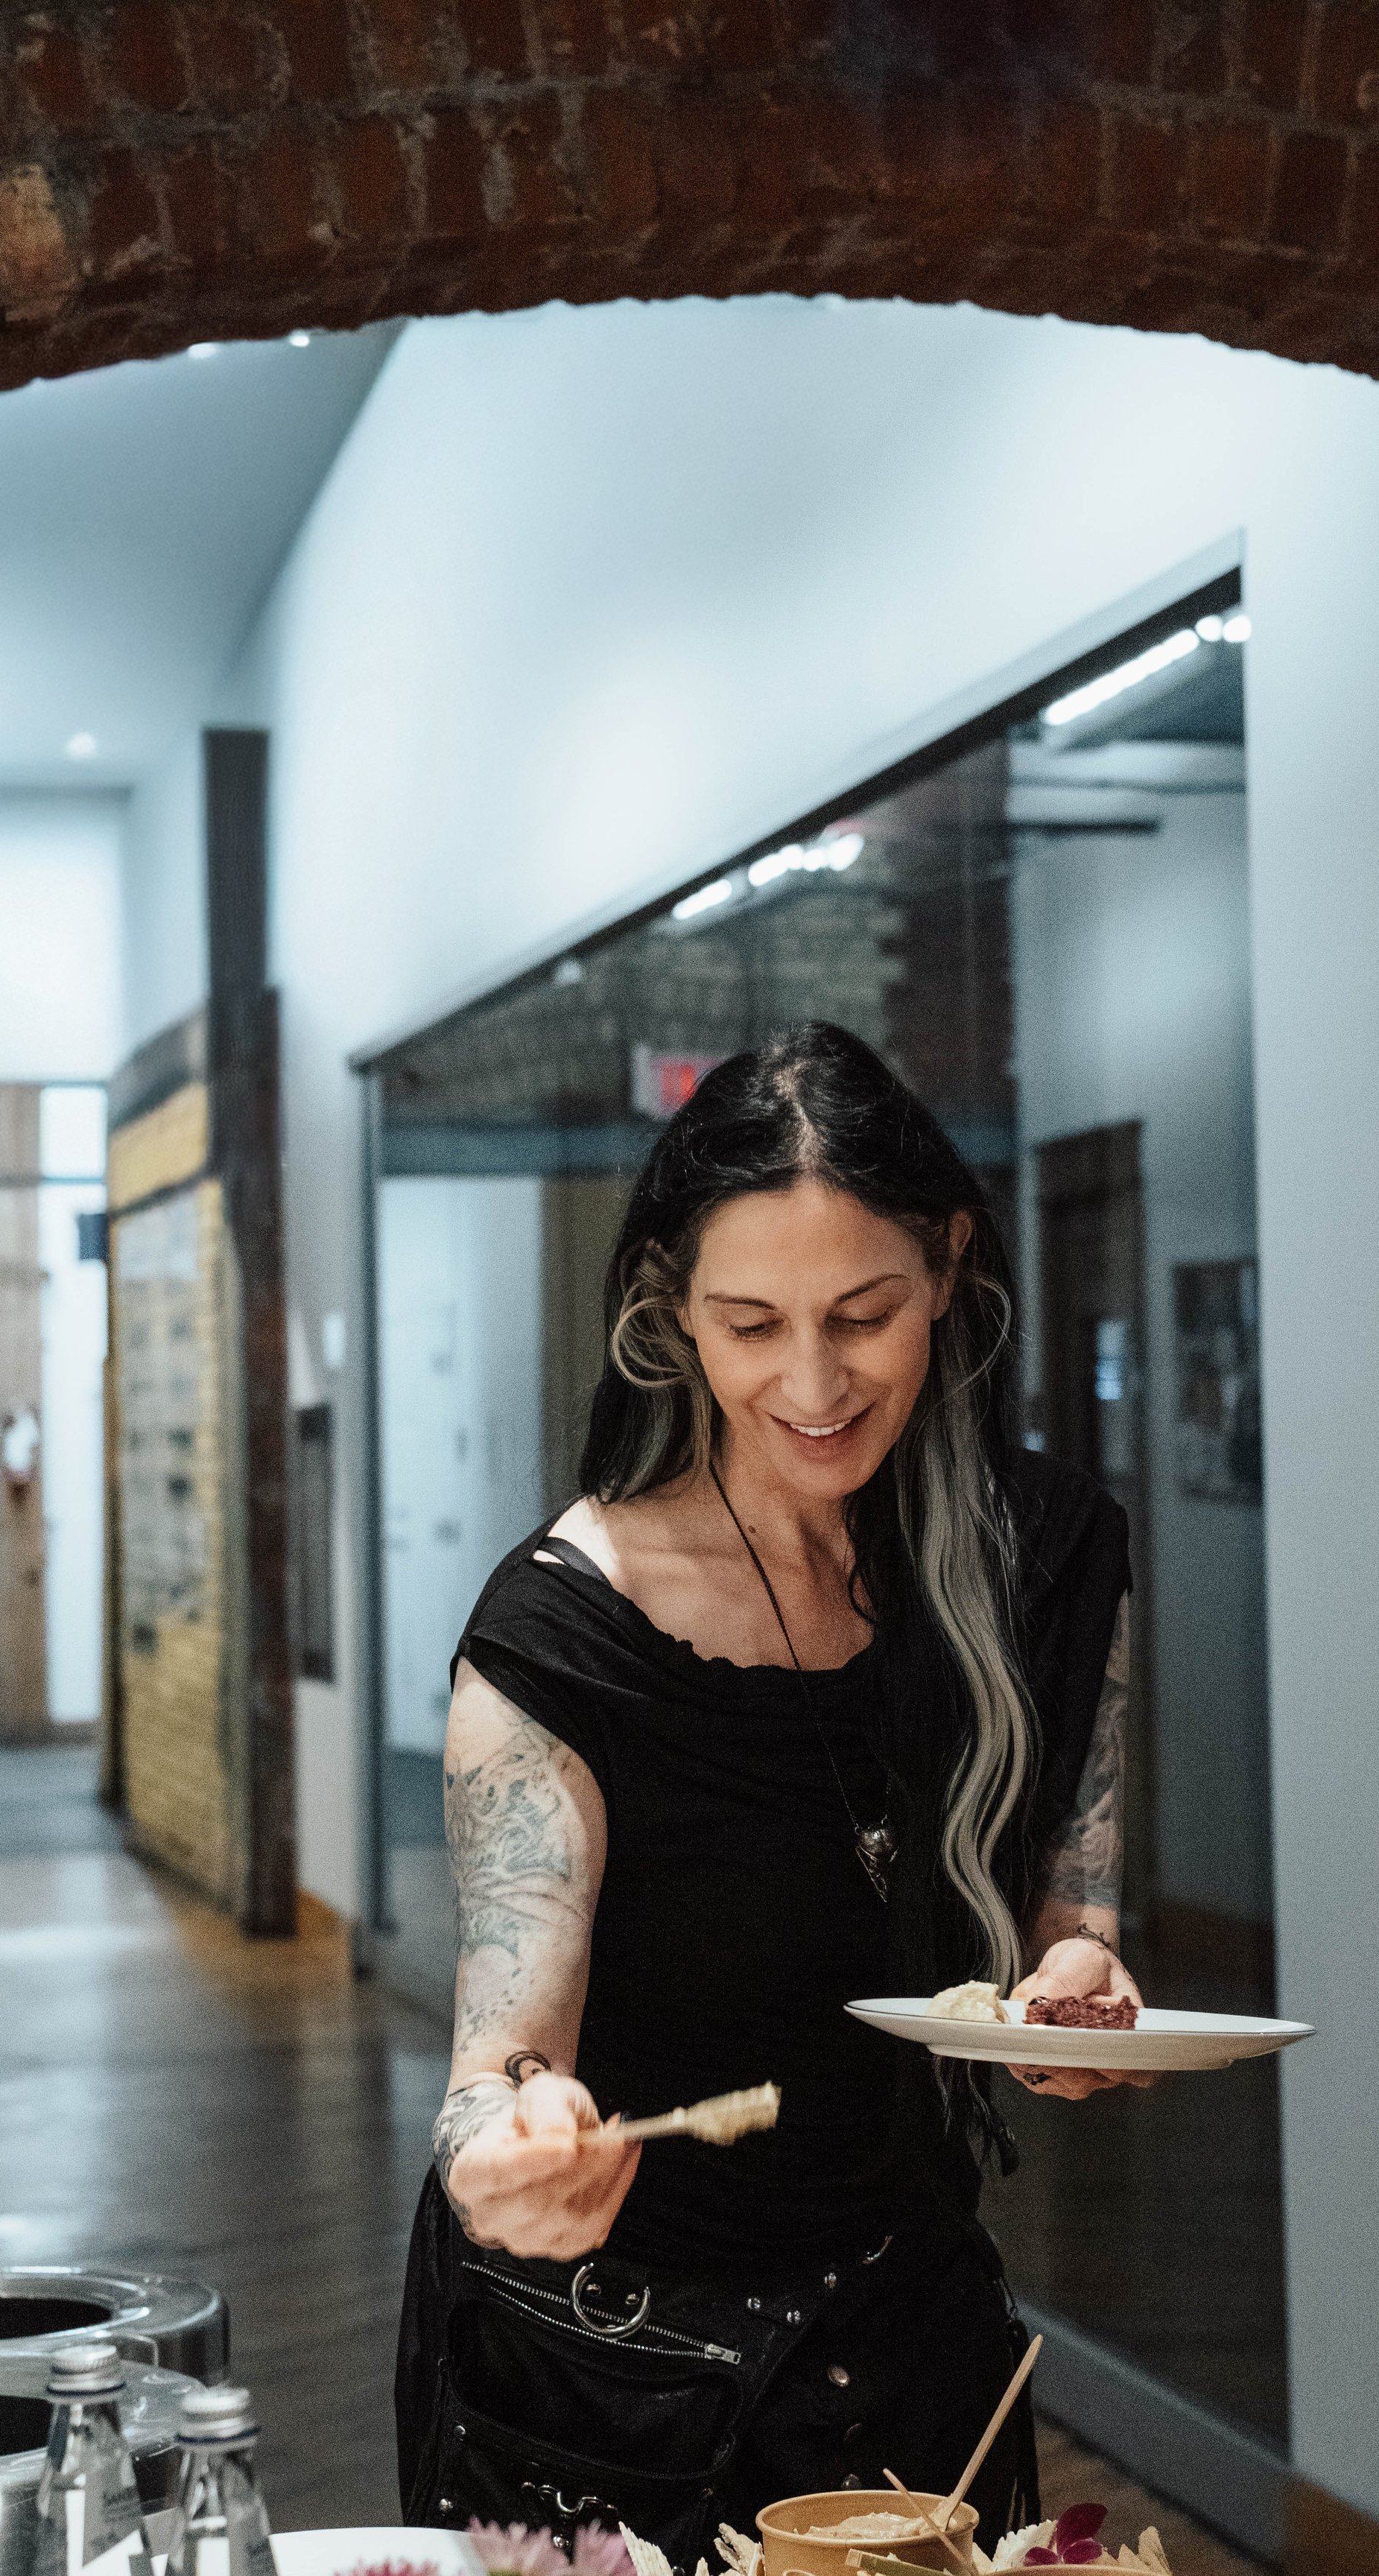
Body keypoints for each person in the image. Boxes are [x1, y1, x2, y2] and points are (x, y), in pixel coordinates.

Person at [396, 1023, 1144, 2569]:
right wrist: (504, 2155)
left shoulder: (1044, 1556)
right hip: (613, 2388)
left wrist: (1073, 1980)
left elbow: (1066, 1924)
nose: (811, 1383)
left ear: (946, 1266)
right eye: (750, 1325)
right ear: (671, 1313)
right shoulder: (565, 1637)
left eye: (863, 1314)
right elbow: (499, 2053)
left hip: (909, 2358)